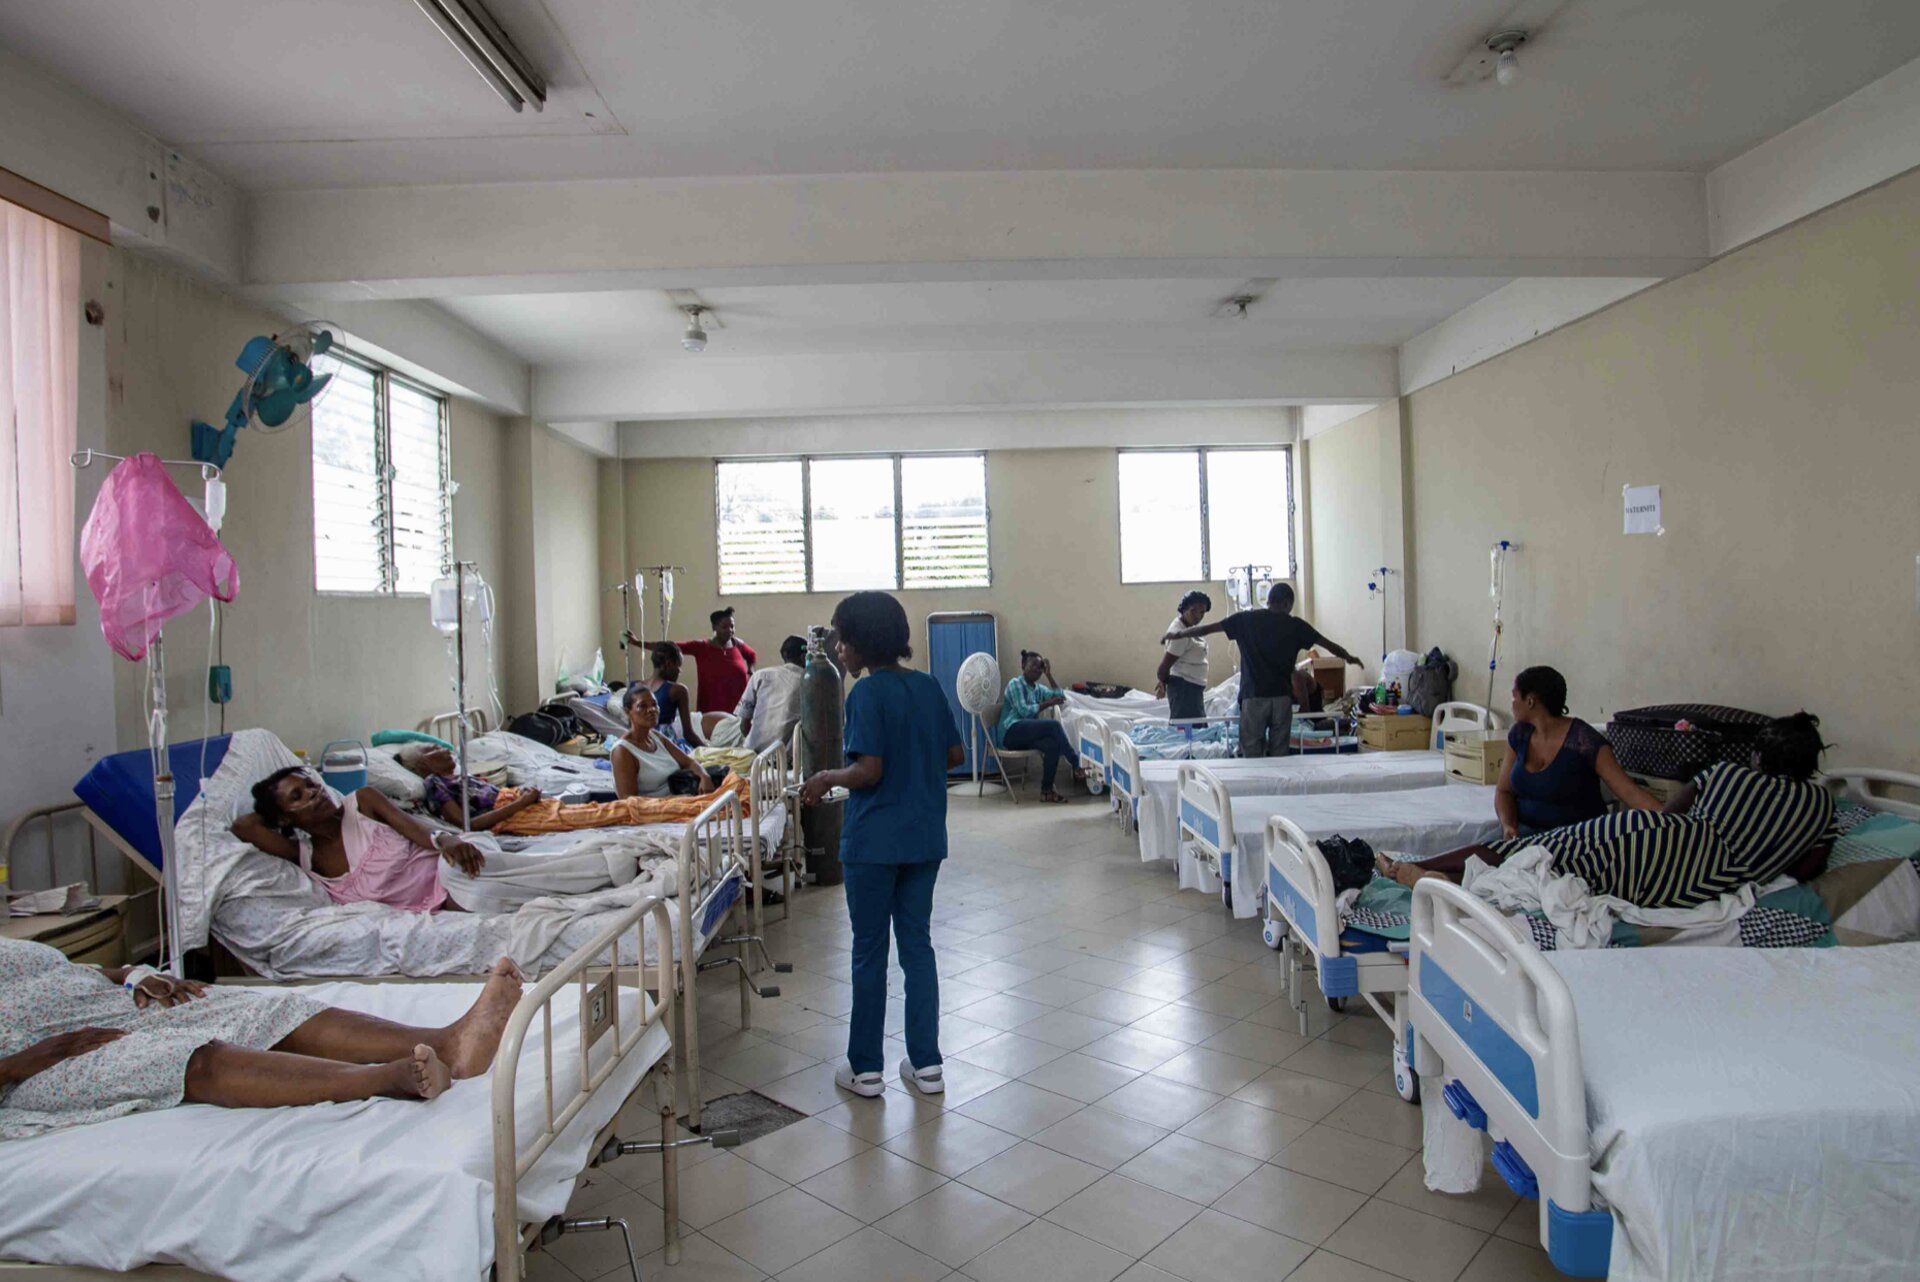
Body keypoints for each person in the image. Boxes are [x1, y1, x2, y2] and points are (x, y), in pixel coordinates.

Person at [0, 941, 521, 1139]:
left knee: (270, 1009)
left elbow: (79, 969)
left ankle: (449, 1043)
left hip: (104, 1008)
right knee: (185, 1060)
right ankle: (381, 1080)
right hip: (37, 1067)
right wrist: (23, 1062)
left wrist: (137, 977)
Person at [1377, 713, 1837, 910]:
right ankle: (1443, 880)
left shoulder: (1727, 773)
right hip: (1692, 880)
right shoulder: (1821, 805)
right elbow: (1808, 866)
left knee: (1533, 851)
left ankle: (1409, 869)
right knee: (1544, 868)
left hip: (1656, 838)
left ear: (1763, 754)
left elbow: (1672, 813)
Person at [798, 592, 962, 1101]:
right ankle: (927, 1063)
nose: (839, 650)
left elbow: (868, 771)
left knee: (869, 951)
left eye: (843, 639)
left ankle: (866, 1068)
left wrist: (826, 776)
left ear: (862, 643)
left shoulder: (865, 695)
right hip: (924, 836)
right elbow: (954, 753)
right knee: (917, 946)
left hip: (873, 844)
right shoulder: (929, 686)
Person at [234, 768, 486, 911]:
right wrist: (273, 812)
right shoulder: (306, 856)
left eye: (312, 784)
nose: (315, 792)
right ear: (283, 820)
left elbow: (417, 830)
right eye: (298, 796)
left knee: (485, 887)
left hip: (454, 866)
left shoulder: (363, 803)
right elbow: (243, 826)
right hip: (438, 905)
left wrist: (446, 839)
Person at [1165, 582, 1361, 759]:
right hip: (1282, 701)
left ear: (1268, 601)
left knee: (1252, 754)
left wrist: (1178, 634)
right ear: (1287, 604)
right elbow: (1328, 644)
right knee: (1280, 754)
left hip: (1254, 699)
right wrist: (1349, 657)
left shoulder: (1246, 620)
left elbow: (1206, 629)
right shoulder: (1296, 626)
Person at [1498, 666, 1660, 837]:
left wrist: (1677, 821)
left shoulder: (1584, 742)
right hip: (1525, 833)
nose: (1512, 703)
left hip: (1574, 840)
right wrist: (1508, 825)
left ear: (1530, 701)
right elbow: (1504, 791)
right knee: (1473, 857)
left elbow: (1629, 792)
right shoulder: (1519, 735)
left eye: (1514, 697)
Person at [993, 650, 1083, 803]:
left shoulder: (1037, 688)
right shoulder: (1016, 684)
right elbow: (1024, 711)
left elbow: (1059, 695)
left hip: (1026, 734)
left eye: (1040, 666)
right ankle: (1076, 764)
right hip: (1011, 733)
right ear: (1023, 665)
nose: (1037, 669)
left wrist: (1049, 674)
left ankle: (1046, 791)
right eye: (1033, 665)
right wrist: (1048, 703)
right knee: (1054, 726)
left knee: (1052, 745)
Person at [397, 743, 546, 831]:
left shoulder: (459, 777)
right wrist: (522, 802)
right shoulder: (434, 783)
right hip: (513, 815)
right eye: (435, 748)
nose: (446, 750)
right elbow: (468, 825)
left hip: (521, 805)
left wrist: (523, 796)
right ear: (422, 765)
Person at [612, 685, 719, 800]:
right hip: (657, 810)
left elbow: (689, 762)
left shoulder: (656, 737)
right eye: (642, 706)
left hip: (682, 796)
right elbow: (629, 800)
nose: (651, 710)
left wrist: (704, 776)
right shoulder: (623, 751)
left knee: (733, 782)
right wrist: (673, 800)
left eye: (654, 704)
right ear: (628, 711)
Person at [675, 608, 758, 715]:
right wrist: (646, 644)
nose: (730, 630)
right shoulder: (701, 647)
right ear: (714, 627)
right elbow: (672, 647)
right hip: (712, 710)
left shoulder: (737, 645)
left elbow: (752, 655)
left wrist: (751, 671)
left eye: (732, 626)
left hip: (739, 709)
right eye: (724, 627)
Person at [736, 634, 808, 754]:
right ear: (804, 657)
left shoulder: (759, 676)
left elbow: (744, 726)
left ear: (784, 655)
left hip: (753, 754)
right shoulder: (808, 683)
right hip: (785, 758)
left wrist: (758, 744)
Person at [1155, 590, 1212, 721]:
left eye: (1202, 612)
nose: (1198, 616)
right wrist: (1163, 682)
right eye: (1193, 611)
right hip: (1184, 689)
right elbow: (1163, 668)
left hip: (1191, 689)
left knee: (1194, 732)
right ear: (1184, 609)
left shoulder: (1189, 627)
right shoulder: (1180, 634)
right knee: (1188, 733)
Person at [643, 642, 705, 748]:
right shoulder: (678, 690)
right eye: (678, 666)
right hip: (666, 746)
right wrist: (708, 750)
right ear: (669, 664)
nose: (679, 671)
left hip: (640, 745)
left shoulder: (634, 687)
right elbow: (688, 734)